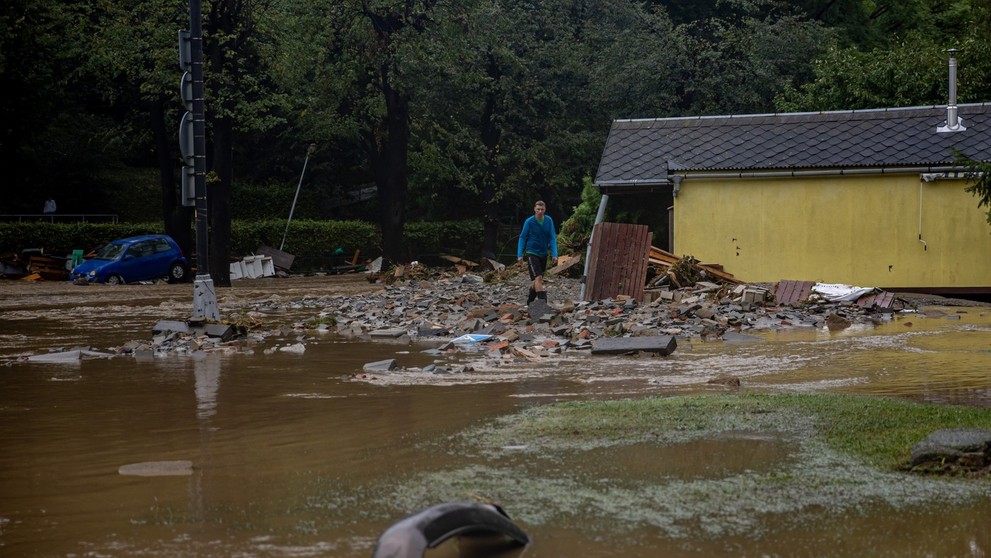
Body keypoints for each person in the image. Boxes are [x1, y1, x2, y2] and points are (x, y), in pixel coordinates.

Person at [517, 200, 558, 305]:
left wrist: (555, 254)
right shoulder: (529, 221)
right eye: (538, 209)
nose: (540, 211)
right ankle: (543, 303)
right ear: (534, 209)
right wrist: (520, 254)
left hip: (543, 253)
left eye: (542, 209)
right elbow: (522, 237)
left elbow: (552, 237)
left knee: (536, 281)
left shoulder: (549, 220)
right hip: (532, 252)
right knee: (538, 278)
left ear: (545, 210)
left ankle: (530, 301)